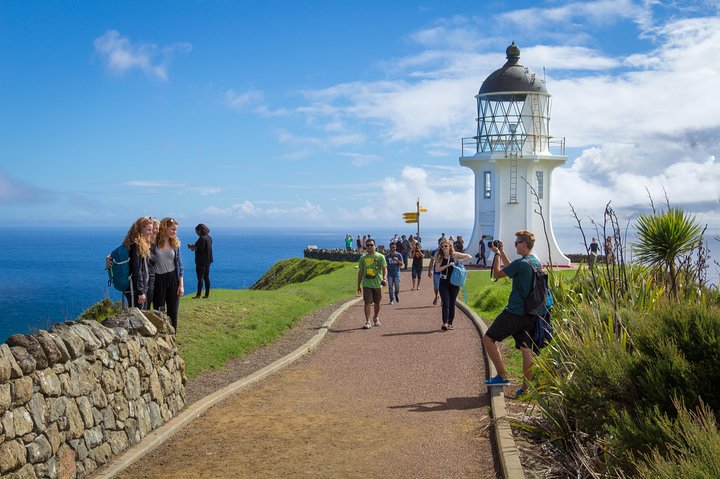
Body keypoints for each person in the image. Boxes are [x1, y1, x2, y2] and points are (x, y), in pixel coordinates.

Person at [482, 230, 543, 396]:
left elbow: (497, 274)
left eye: (516, 243)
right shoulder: (534, 261)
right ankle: (525, 388)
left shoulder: (521, 263)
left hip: (514, 312)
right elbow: (512, 268)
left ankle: (502, 375)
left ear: (524, 244)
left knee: (488, 339)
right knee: (526, 350)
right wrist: (502, 252)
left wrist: (495, 255)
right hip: (530, 313)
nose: (515, 245)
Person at [154, 217, 185, 331]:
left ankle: (173, 340)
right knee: (159, 311)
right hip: (158, 280)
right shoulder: (154, 243)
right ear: (164, 228)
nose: (174, 232)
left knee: (173, 312)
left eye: (176, 230)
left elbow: (180, 266)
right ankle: (161, 338)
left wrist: (181, 285)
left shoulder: (175, 244)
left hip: (172, 279)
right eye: (172, 229)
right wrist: (110, 257)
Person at [434, 240, 473, 330]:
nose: (444, 248)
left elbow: (469, 257)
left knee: (452, 303)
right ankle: (445, 323)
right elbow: (438, 269)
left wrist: (460, 260)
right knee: (446, 303)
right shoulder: (439, 257)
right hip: (443, 282)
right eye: (442, 246)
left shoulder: (454, 255)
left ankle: (450, 323)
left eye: (446, 246)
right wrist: (447, 265)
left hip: (454, 282)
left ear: (450, 247)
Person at [122, 216, 155, 309]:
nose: (151, 232)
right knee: (137, 317)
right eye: (149, 230)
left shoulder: (141, 243)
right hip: (135, 289)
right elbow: (137, 269)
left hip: (139, 288)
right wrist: (141, 292)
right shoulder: (136, 245)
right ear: (141, 229)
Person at [357, 239, 387, 329]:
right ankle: (367, 321)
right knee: (367, 302)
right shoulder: (363, 258)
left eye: (371, 245)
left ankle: (375, 317)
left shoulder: (380, 256)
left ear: (375, 246)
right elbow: (361, 272)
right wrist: (358, 285)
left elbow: (384, 269)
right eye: (368, 245)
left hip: (377, 283)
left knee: (377, 302)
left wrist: (385, 278)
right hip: (366, 284)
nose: (370, 247)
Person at [188, 224, 213, 299]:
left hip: (201, 261)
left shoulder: (202, 238)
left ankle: (198, 295)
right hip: (208, 260)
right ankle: (207, 294)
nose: (196, 233)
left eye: (196, 231)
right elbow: (204, 248)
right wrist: (194, 246)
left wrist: (191, 247)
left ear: (200, 230)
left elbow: (200, 249)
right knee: (206, 277)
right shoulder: (209, 237)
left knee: (200, 278)